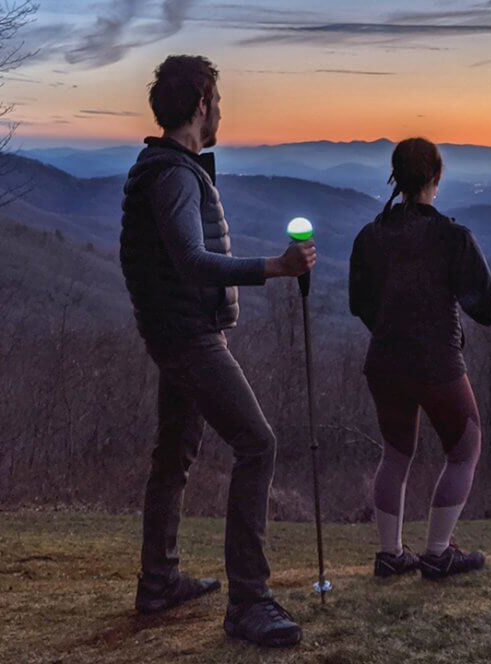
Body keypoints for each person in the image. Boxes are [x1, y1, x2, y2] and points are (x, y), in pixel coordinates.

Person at [119, 55, 315, 648]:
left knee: (173, 455)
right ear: (203, 103)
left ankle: (158, 585)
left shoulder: (163, 167)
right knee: (257, 443)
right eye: (219, 101)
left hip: (173, 331)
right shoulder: (176, 174)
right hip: (189, 337)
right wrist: (275, 267)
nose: (222, 111)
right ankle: (249, 603)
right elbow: (191, 261)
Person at [348, 137, 491, 580]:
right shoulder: (452, 238)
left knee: (396, 453)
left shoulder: (370, 236)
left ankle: (391, 554)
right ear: (436, 177)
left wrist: (391, 333)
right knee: (465, 449)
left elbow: (358, 303)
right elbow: (486, 308)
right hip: (436, 364)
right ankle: (439, 553)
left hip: (384, 362)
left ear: (396, 178)